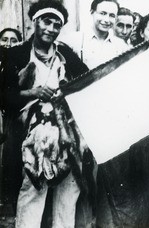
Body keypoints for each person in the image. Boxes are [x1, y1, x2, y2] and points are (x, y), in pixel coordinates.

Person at [1, 1, 93, 227]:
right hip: (32, 133)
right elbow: (3, 95)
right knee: (34, 186)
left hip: (66, 130)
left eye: (57, 25)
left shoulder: (66, 55)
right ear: (35, 22)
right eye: (46, 22)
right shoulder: (16, 55)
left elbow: (86, 81)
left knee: (69, 188)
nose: (51, 29)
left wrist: (66, 92)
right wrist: (33, 92)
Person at [59, 0, 128, 69]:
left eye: (112, 15)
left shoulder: (121, 46)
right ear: (92, 12)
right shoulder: (72, 40)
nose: (107, 20)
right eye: (102, 13)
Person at [0, 27, 23, 213]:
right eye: (4, 40)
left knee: (13, 160)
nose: (8, 44)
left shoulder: (19, 63)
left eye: (13, 40)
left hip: (14, 117)